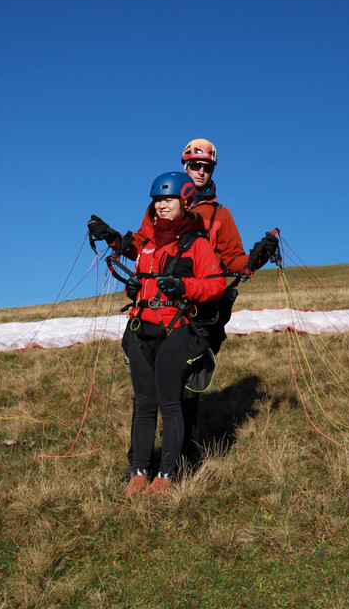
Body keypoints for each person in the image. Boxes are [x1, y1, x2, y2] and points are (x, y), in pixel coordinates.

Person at [88, 139, 279, 471]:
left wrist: (255, 258)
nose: (200, 171)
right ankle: (141, 464)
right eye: (194, 165)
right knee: (148, 393)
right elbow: (146, 247)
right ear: (185, 167)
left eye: (206, 167)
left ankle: (183, 460)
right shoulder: (165, 204)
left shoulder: (220, 215)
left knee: (186, 389)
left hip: (201, 311)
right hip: (159, 309)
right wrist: (116, 239)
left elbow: (232, 261)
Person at [108, 172, 225, 496]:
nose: (161, 206)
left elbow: (215, 285)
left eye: (168, 200)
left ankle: (166, 476)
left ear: (185, 202)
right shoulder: (146, 243)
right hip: (139, 330)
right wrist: (135, 288)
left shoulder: (196, 244)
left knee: (171, 405)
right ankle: (139, 472)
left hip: (173, 331)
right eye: (157, 200)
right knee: (144, 404)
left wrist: (184, 286)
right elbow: (142, 282)